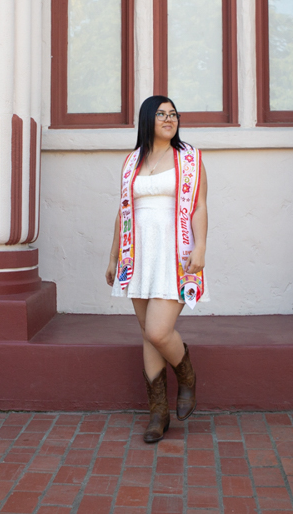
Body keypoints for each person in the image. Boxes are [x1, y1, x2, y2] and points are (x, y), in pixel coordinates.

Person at [105, 95, 209, 443]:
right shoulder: (132, 161)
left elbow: (199, 206)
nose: (169, 118)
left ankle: (188, 376)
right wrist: (113, 256)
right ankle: (158, 413)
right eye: (162, 114)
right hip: (139, 257)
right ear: (147, 119)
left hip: (175, 255)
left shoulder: (190, 158)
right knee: (147, 333)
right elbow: (123, 211)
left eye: (174, 114)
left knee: (158, 332)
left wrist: (201, 248)